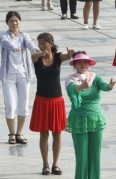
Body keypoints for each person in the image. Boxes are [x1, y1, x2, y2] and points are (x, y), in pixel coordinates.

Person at [65, 52, 116, 179]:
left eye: (85, 62)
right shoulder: (70, 79)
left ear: (89, 64)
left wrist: (109, 86)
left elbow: (104, 86)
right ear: (74, 65)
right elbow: (73, 89)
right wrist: (82, 86)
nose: (83, 64)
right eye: (80, 62)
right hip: (79, 119)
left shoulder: (95, 77)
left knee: (95, 154)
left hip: (95, 119)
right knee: (81, 156)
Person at [30, 33, 74, 175]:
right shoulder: (36, 57)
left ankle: (55, 164)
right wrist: (41, 52)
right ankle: (45, 164)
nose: (41, 45)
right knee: (44, 134)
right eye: (39, 43)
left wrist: (70, 54)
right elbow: (34, 56)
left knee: (57, 134)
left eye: (43, 43)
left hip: (56, 100)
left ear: (51, 43)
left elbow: (67, 57)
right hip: (42, 100)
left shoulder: (57, 57)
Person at [0, 11, 37, 145]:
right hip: (8, 75)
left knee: (23, 105)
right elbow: (6, 43)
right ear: (7, 23)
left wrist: (37, 51)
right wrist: (14, 48)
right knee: (10, 105)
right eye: (11, 21)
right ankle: (11, 133)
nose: (14, 23)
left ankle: (19, 133)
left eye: (16, 20)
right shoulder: (3, 36)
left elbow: (30, 45)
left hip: (23, 75)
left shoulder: (25, 36)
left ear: (19, 22)